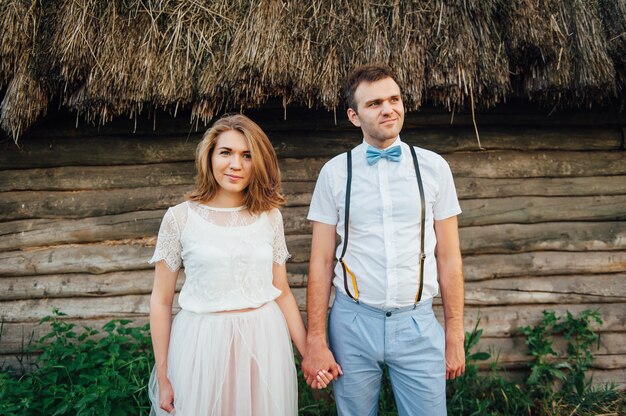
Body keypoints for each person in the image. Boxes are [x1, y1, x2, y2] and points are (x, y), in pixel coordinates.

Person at [302, 65, 465, 416]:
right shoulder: (334, 173)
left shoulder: (434, 168)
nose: (388, 109)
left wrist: (455, 333)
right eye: (374, 103)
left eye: (394, 99)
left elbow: (449, 258)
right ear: (354, 115)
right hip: (352, 324)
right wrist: (316, 338)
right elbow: (320, 261)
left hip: (418, 324)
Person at [147, 113, 331, 415]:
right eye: (226, 153)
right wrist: (165, 375)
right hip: (202, 344)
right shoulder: (179, 218)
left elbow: (281, 290)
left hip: (263, 340)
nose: (236, 164)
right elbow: (160, 301)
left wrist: (307, 352)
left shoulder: (270, 216)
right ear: (209, 156)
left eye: (247, 155)